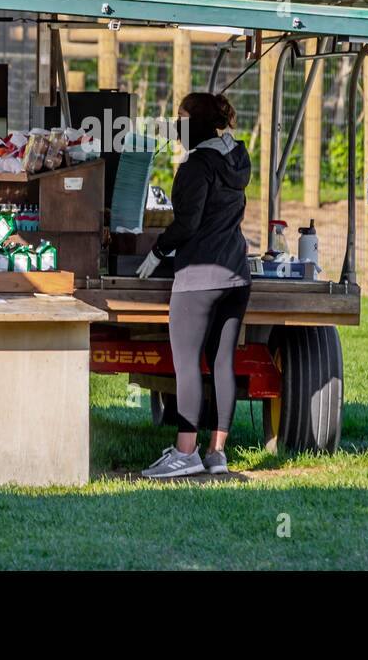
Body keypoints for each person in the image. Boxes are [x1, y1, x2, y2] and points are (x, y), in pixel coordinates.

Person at [137, 92, 252, 478]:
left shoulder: (195, 166)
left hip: (199, 277)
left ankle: (185, 452)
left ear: (197, 123)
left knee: (187, 365)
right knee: (222, 363)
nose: (175, 125)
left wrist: (157, 251)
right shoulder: (237, 158)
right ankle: (217, 453)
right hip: (237, 275)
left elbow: (187, 224)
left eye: (181, 118)